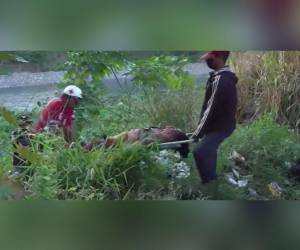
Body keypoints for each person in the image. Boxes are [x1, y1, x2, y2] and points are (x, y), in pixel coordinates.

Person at [191, 51, 238, 198]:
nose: (208, 62)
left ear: (219, 58)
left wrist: (197, 133)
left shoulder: (221, 80)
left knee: (200, 152)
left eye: (210, 59)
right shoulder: (220, 76)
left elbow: (211, 109)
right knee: (208, 151)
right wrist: (200, 130)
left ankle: (210, 185)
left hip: (220, 127)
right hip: (220, 124)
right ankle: (211, 183)